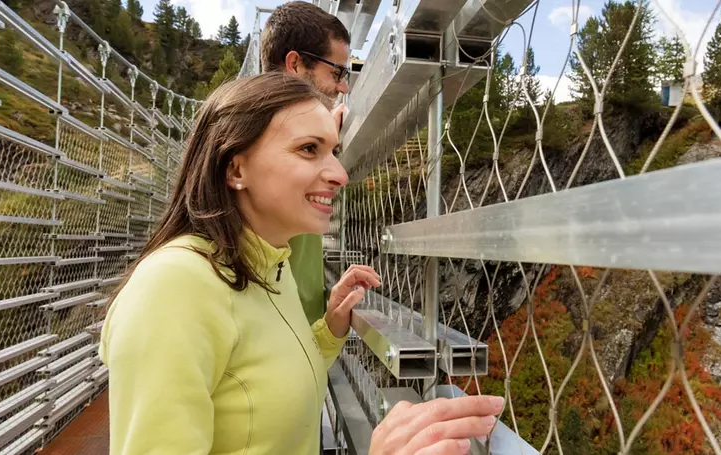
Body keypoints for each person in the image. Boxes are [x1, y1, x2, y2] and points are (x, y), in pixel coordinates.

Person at [100, 73, 504, 455]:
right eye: (309, 149)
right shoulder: (174, 288)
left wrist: (329, 330)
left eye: (334, 151)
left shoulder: (271, 267)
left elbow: (263, 382)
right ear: (236, 168)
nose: (340, 174)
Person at [261, 1, 352, 326]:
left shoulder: (263, 133)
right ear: (296, 64)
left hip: (304, 338)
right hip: (276, 341)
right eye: (336, 72)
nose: (342, 87)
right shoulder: (252, 139)